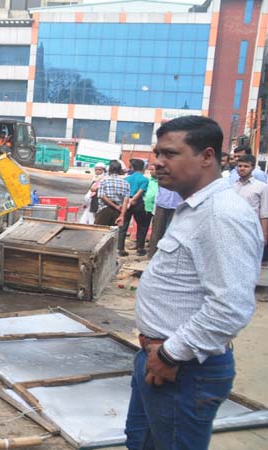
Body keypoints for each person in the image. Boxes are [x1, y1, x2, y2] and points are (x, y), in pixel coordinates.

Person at [125, 115, 261, 450]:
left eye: (170, 154)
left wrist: (170, 355)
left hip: (183, 369)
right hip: (161, 360)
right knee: (141, 442)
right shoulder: (194, 208)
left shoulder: (222, 215)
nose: (157, 162)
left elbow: (231, 306)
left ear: (207, 156)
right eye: (157, 153)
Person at [232, 154, 268, 264]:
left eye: (246, 166)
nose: (242, 168)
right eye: (240, 166)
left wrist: (265, 234)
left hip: (251, 229)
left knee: (249, 260)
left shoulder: (261, 187)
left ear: (252, 168)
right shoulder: (232, 186)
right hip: (233, 227)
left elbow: (264, 212)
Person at [117, 159, 151, 257]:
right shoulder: (144, 180)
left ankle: (121, 249)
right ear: (143, 168)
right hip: (138, 203)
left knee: (123, 226)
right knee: (142, 225)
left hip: (126, 202)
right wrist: (133, 201)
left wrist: (127, 202)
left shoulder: (127, 179)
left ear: (132, 167)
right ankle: (140, 248)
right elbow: (140, 192)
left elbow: (124, 193)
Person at [94, 160, 129, 227]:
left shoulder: (103, 181)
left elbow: (102, 196)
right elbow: (125, 201)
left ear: (109, 169)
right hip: (118, 212)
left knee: (99, 234)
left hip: (104, 210)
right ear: (119, 170)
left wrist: (115, 206)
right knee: (113, 234)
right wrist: (122, 215)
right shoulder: (125, 183)